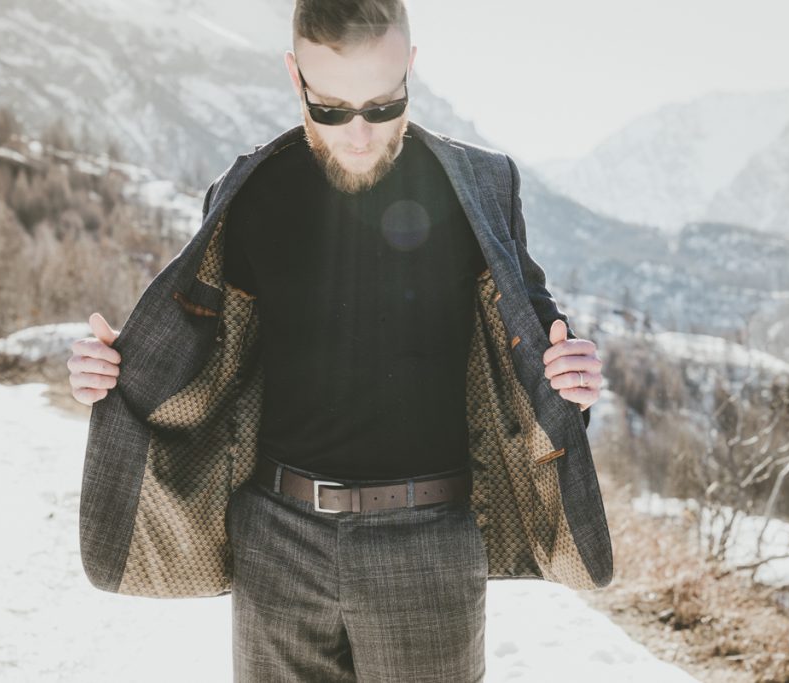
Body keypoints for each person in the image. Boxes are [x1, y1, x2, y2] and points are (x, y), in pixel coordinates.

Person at [67, 1, 609, 681]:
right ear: (296, 77)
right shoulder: (250, 191)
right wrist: (110, 372)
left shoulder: (480, 187)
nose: (358, 133)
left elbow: (534, 338)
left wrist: (573, 378)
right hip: (276, 539)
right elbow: (198, 352)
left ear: (411, 69)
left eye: (384, 107)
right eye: (331, 109)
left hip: (429, 546)